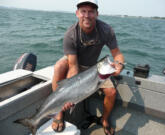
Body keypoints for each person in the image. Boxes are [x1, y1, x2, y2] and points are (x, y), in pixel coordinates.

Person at [51, 0, 124, 135]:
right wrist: (69, 94)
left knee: (111, 93)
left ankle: (104, 120)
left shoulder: (106, 30)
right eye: (83, 11)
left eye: (91, 12)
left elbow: (117, 54)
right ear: (77, 13)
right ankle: (59, 113)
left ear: (97, 14)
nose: (87, 15)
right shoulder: (70, 34)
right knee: (60, 65)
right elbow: (73, 67)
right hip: (75, 64)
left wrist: (119, 65)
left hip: (95, 68)